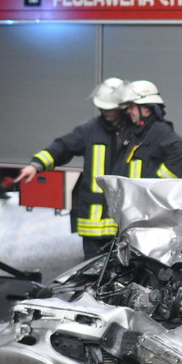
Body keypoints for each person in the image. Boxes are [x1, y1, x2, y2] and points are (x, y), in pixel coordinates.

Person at [16, 78, 128, 257]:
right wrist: (36, 165)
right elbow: (62, 147)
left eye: (110, 108)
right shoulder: (89, 130)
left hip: (122, 219)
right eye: (103, 108)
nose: (105, 112)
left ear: (121, 107)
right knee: (93, 272)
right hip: (94, 220)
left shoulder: (134, 131)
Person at [114, 80, 182, 181]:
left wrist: (158, 182)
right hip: (134, 195)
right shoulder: (140, 132)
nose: (128, 111)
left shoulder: (159, 131)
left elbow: (181, 149)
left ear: (147, 109)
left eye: (132, 107)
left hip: (146, 196)